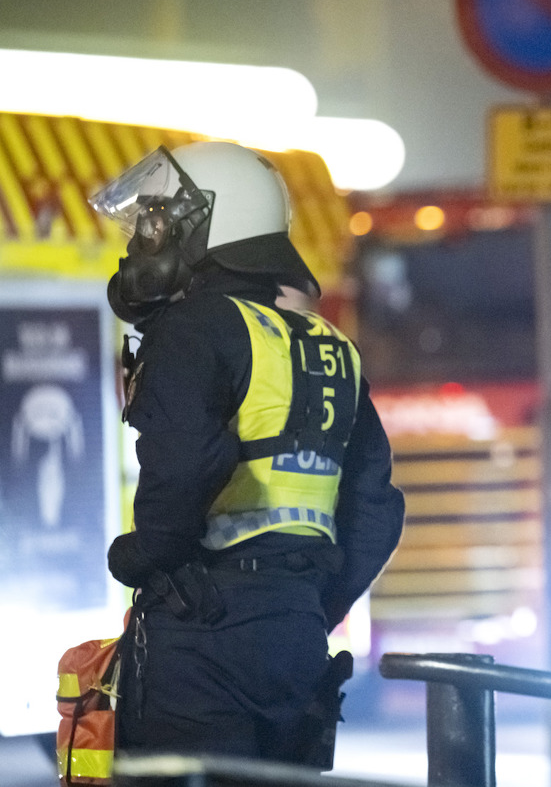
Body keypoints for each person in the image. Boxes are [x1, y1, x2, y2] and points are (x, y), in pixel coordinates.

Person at [88, 141, 406, 766]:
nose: (142, 242)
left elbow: (187, 468)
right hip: (296, 635)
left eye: (156, 223)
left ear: (212, 224)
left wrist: (139, 554)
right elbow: (376, 511)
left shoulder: (192, 330)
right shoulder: (330, 345)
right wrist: (308, 607)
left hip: (202, 636)